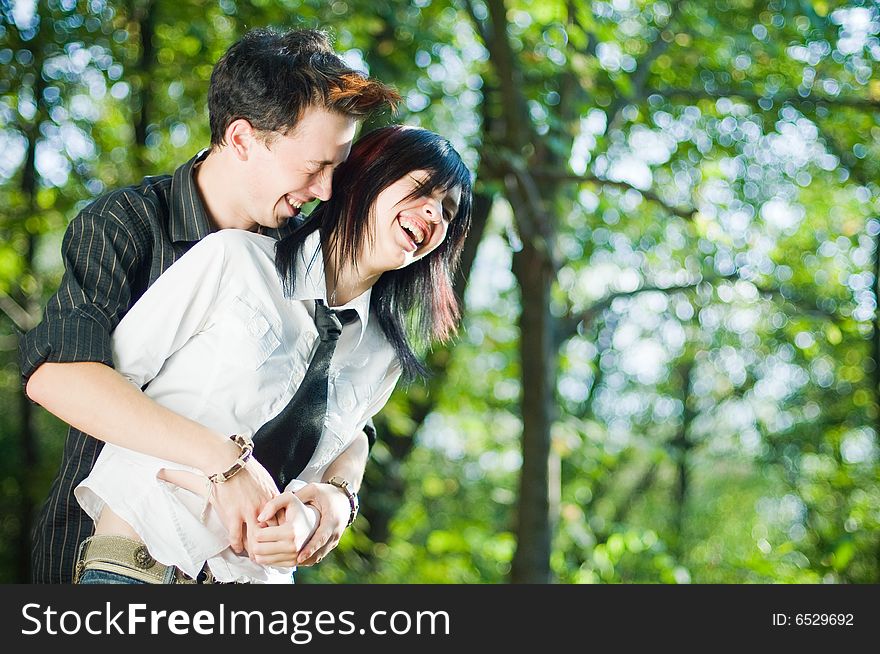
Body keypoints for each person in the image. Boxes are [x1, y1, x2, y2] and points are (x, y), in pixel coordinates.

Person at [20, 27, 399, 583]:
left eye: (337, 169)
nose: (326, 189)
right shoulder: (126, 225)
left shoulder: (310, 250)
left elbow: (349, 405)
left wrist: (337, 498)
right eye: (315, 165)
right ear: (242, 138)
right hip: (107, 556)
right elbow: (60, 376)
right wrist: (227, 462)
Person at [72, 125, 473, 583]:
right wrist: (220, 467)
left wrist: (314, 514)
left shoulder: (383, 356)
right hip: (140, 561)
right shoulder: (233, 260)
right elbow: (106, 389)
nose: (434, 213)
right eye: (422, 190)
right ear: (366, 176)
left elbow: (325, 466)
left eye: (448, 211)